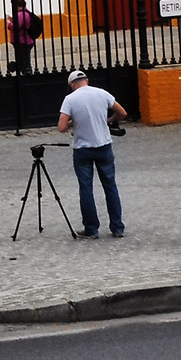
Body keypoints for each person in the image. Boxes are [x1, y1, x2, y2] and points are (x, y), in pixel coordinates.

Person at [56, 68, 129, 239]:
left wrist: (74, 122)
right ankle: (117, 227)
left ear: (72, 84)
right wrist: (108, 121)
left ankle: (91, 228)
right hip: (104, 145)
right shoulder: (102, 93)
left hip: (82, 149)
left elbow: (61, 127)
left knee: (86, 188)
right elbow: (122, 113)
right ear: (86, 81)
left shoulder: (70, 99)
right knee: (110, 186)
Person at [5, 0, 42, 77]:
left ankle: (26, 76)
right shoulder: (25, 13)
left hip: (22, 42)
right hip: (24, 41)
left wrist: (8, 22)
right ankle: (16, 69)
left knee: (24, 63)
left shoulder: (21, 14)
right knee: (23, 61)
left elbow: (14, 27)